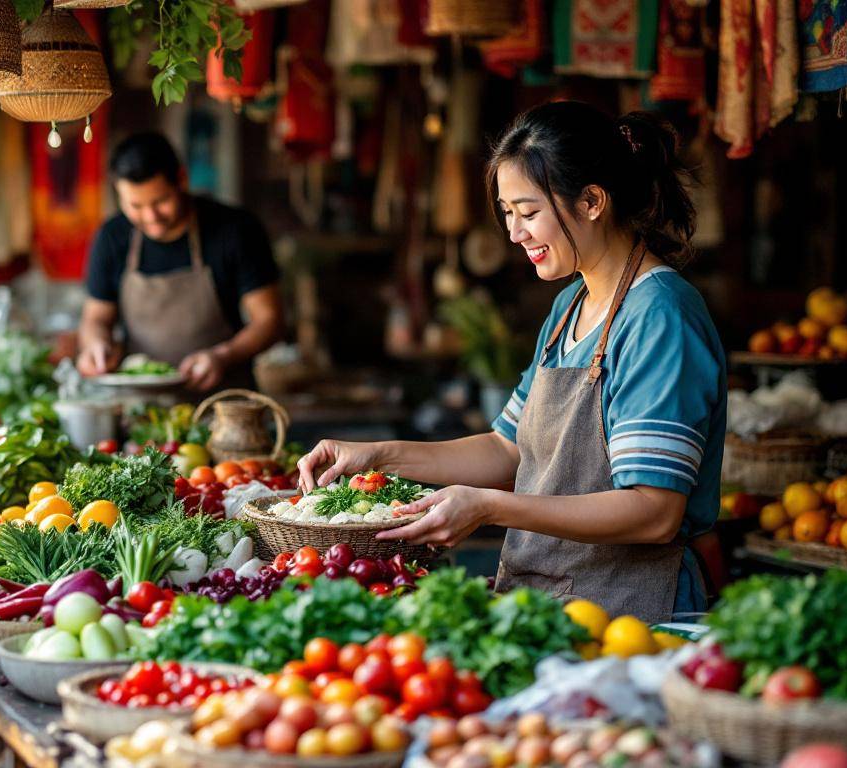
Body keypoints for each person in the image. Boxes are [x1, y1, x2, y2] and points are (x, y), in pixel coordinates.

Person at [298, 102, 726, 624]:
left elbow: (654, 511)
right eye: (507, 214)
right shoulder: (571, 306)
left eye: (528, 212)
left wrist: (490, 507)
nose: (515, 234)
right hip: (546, 603)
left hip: (630, 615)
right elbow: (507, 449)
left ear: (592, 201)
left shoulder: (659, 315)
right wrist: (377, 455)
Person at [77, 132, 284, 391]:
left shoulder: (235, 229)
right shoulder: (112, 237)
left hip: (223, 403)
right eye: (136, 206)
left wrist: (222, 356)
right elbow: (95, 318)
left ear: (182, 179)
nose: (151, 216)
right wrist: (96, 343)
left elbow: (269, 320)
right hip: (140, 407)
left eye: (161, 201)